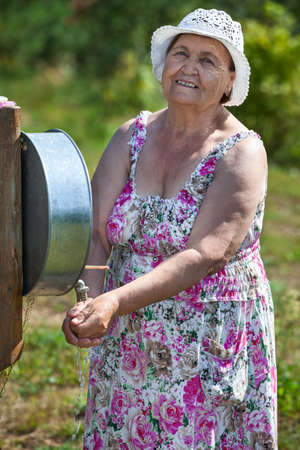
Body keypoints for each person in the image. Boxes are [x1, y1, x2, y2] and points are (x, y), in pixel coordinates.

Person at [63, 8, 277, 449]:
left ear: (231, 82)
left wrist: (113, 302)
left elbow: (205, 253)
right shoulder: (132, 135)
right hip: (124, 329)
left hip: (203, 338)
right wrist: (89, 302)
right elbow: (97, 232)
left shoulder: (242, 153)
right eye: (181, 53)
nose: (189, 69)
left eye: (208, 60)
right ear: (164, 64)